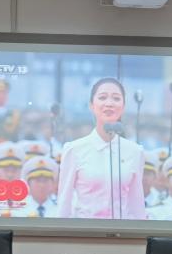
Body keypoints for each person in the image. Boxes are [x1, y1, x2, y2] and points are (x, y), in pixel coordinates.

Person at [57, 77, 147, 220]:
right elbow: (64, 206)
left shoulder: (135, 152)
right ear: (91, 105)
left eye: (116, 98)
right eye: (102, 97)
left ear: (123, 107)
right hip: (85, 230)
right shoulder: (74, 150)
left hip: (121, 231)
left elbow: (137, 207)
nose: (109, 103)